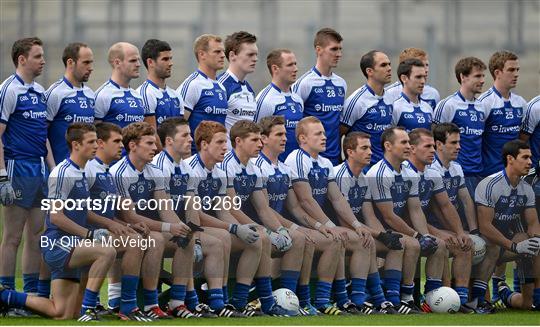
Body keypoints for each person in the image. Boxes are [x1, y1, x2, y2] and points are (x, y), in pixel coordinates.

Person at [0, 123, 116, 321]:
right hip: (59, 244)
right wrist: (90, 235)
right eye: (90, 142)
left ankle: (5, 296)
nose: (96, 146)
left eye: (96, 141)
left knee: (61, 313)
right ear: (76, 145)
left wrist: (110, 225)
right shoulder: (63, 173)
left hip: (74, 245)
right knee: (107, 251)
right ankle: (89, 309)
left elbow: (83, 211)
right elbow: (56, 216)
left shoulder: (82, 171)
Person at [286, 116, 396, 315]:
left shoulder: (325, 162)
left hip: (318, 224)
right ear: (302, 139)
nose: (324, 137)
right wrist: (328, 225)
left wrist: (357, 225)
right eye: (318, 133)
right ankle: (324, 300)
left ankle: (357, 300)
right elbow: (305, 200)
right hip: (300, 223)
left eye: (324, 132)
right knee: (336, 240)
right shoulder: (296, 158)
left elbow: (337, 199)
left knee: (364, 239)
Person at [253, 115, 342, 316]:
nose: (284, 138)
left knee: (333, 240)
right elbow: (265, 209)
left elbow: (294, 208)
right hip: (261, 226)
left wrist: (319, 226)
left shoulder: (285, 168)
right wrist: (295, 228)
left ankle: (314, 301)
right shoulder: (257, 166)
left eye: (285, 134)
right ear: (264, 139)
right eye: (279, 135)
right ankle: (287, 298)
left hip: (281, 226)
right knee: (302, 239)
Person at [110, 122, 198, 320]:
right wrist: (170, 227)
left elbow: (165, 208)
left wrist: (182, 229)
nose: (155, 148)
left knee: (187, 238)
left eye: (154, 143)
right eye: (149, 143)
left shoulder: (154, 171)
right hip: (126, 228)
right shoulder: (119, 172)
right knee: (156, 239)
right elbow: (129, 216)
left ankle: (177, 302)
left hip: (148, 228)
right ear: (133, 146)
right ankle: (150, 303)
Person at [221, 119, 307, 316]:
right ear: (238, 141)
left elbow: (264, 209)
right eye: (254, 140)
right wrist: (265, 230)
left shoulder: (253, 167)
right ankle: (245, 301)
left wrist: (282, 230)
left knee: (298, 238)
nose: (260, 144)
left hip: (246, 222)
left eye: (260, 140)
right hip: (227, 221)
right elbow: (232, 208)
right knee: (263, 239)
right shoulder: (227, 165)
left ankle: (290, 299)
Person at [153, 117, 230, 318]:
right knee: (190, 241)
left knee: (217, 241)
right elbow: (164, 208)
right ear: (169, 141)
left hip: (177, 227)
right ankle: (182, 302)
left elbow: (191, 208)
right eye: (185, 135)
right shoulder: (160, 165)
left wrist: (193, 233)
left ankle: (216, 302)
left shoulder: (185, 168)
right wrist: (187, 235)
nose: (190, 139)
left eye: (190, 134)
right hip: (157, 227)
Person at [335, 131, 420, 314]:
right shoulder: (340, 175)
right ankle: (364, 299)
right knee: (367, 243)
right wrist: (378, 234)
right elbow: (344, 219)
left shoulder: (364, 177)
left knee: (397, 243)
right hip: (339, 228)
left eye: (370, 148)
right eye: (364, 148)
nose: (370, 152)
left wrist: (386, 235)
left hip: (358, 228)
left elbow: (369, 214)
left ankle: (394, 299)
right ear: (350, 152)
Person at [184, 120, 263, 318]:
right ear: (203, 145)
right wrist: (233, 228)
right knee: (223, 237)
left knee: (256, 241)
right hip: (188, 227)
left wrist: (245, 226)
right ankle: (217, 302)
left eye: (225, 142)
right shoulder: (189, 169)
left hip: (207, 226)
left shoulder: (220, 172)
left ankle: (238, 301)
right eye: (219, 142)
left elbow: (224, 210)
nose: (225, 147)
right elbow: (196, 215)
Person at [84, 122, 162, 321]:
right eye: (117, 141)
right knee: (135, 242)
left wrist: (127, 225)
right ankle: (123, 305)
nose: (122, 145)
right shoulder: (90, 169)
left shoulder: (107, 171)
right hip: (85, 234)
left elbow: (111, 213)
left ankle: (127, 305)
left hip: (101, 231)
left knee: (136, 239)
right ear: (101, 144)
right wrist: (113, 224)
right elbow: (81, 211)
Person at [366, 127, 448, 310]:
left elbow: (415, 209)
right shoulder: (379, 173)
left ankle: (432, 298)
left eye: (409, 142)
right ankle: (405, 297)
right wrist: (417, 236)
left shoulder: (409, 172)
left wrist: (426, 235)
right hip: (378, 228)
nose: (408, 146)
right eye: (403, 142)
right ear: (388, 146)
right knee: (411, 243)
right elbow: (388, 215)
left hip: (396, 227)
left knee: (439, 244)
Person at [0, 37, 52, 310]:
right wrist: (2, 176)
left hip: (39, 168)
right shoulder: (9, 90)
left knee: (37, 234)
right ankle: (6, 294)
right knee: (13, 236)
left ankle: (29, 295)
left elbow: (42, 137)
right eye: (37, 56)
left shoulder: (40, 92)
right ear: (22, 59)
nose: (43, 60)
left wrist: (53, 171)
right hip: (18, 167)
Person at [404, 128, 474, 312]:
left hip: (422, 226)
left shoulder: (432, 172)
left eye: (434, 146)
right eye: (428, 146)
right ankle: (421, 297)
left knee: (465, 245)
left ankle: (458, 299)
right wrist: (436, 233)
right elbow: (408, 214)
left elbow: (445, 205)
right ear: (412, 149)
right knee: (439, 244)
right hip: (403, 228)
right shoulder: (404, 172)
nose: (433, 150)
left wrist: (460, 232)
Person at [474, 140, 540, 311]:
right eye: (525, 157)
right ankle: (479, 299)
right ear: (510, 159)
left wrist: (536, 241)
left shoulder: (527, 189)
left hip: (507, 243)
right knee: (492, 246)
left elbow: (533, 223)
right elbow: (485, 227)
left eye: (530, 158)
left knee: (527, 304)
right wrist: (515, 246)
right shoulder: (489, 184)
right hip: (483, 245)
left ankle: (511, 294)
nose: (530, 162)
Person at [433, 57, 487, 197]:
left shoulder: (482, 106)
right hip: (457, 174)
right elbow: (434, 140)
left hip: (479, 173)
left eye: (483, 76)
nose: (482, 80)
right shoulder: (449, 105)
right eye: (477, 76)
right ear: (463, 77)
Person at [293, 28, 347, 165]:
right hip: (311, 160)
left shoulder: (341, 84)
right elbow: (295, 123)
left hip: (335, 159)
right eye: (334, 49)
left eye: (340, 49)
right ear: (319, 50)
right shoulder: (305, 83)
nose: (339, 54)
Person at [340, 50, 393, 167]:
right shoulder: (357, 101)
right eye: (383, 65)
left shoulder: (390, 97)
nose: (389, 68)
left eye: (389, 64)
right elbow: (340, 133)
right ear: (369, 71)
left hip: (384, 168)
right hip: (363, 170)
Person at [479, 50, 527, 177]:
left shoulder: (521, 103)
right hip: (489, 174)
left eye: (517, 70)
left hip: (514, 175)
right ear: (497, 73)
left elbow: (523, 139)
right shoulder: (484, 102)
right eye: (511, 70)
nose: (516, 74)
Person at [46, 42, 95, 165]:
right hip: (62, 169)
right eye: (86, 62)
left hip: (86, 171)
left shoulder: (90, 94)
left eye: (91, 62)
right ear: (70, 63)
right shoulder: (55, 93)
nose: (90, 67)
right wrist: (52, 168)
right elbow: (41, 134)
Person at [178, 34, 228, 153]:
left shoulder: (221, 87)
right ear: (202, 54)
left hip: (216, 159)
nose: (222, 55)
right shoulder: (193, 84)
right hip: (196, 158)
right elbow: (179, 125)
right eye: (217, 51)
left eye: (223, 51)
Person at [255, 49, 303, 161]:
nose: (295, 69)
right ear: (275, 68)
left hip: (295, 165)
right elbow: (256, 136)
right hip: (274, 167)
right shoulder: (265, 100)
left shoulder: (298, 99)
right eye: (290, 65)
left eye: (295, 64)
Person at [137, 39, 183, 147]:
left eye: (170, 59)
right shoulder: (145, 93)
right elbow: (151, 134)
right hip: (157, 158)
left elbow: (181, 131)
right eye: (165, 59)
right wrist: (166, 158)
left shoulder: (176, 95)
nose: (170, 63)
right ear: (150, 62)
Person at [218, 31, 258, 145]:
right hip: (224, 159)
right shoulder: (220, 86)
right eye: (250, 55)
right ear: (232, 56)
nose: (255, 59)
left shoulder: (249, 90)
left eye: (256, 54)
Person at [94, 42, 144, 127]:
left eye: (138, 60)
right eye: (133, 60)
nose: (138, 64)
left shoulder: (137, 96)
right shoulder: (102, 95)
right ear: (117, 63)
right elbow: (95, 133)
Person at [391, 59, 433, 132]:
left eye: (424, 77)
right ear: (404, 78)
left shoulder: (428, 108)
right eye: (418, 77)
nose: (423, 81)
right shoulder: (395, 108)